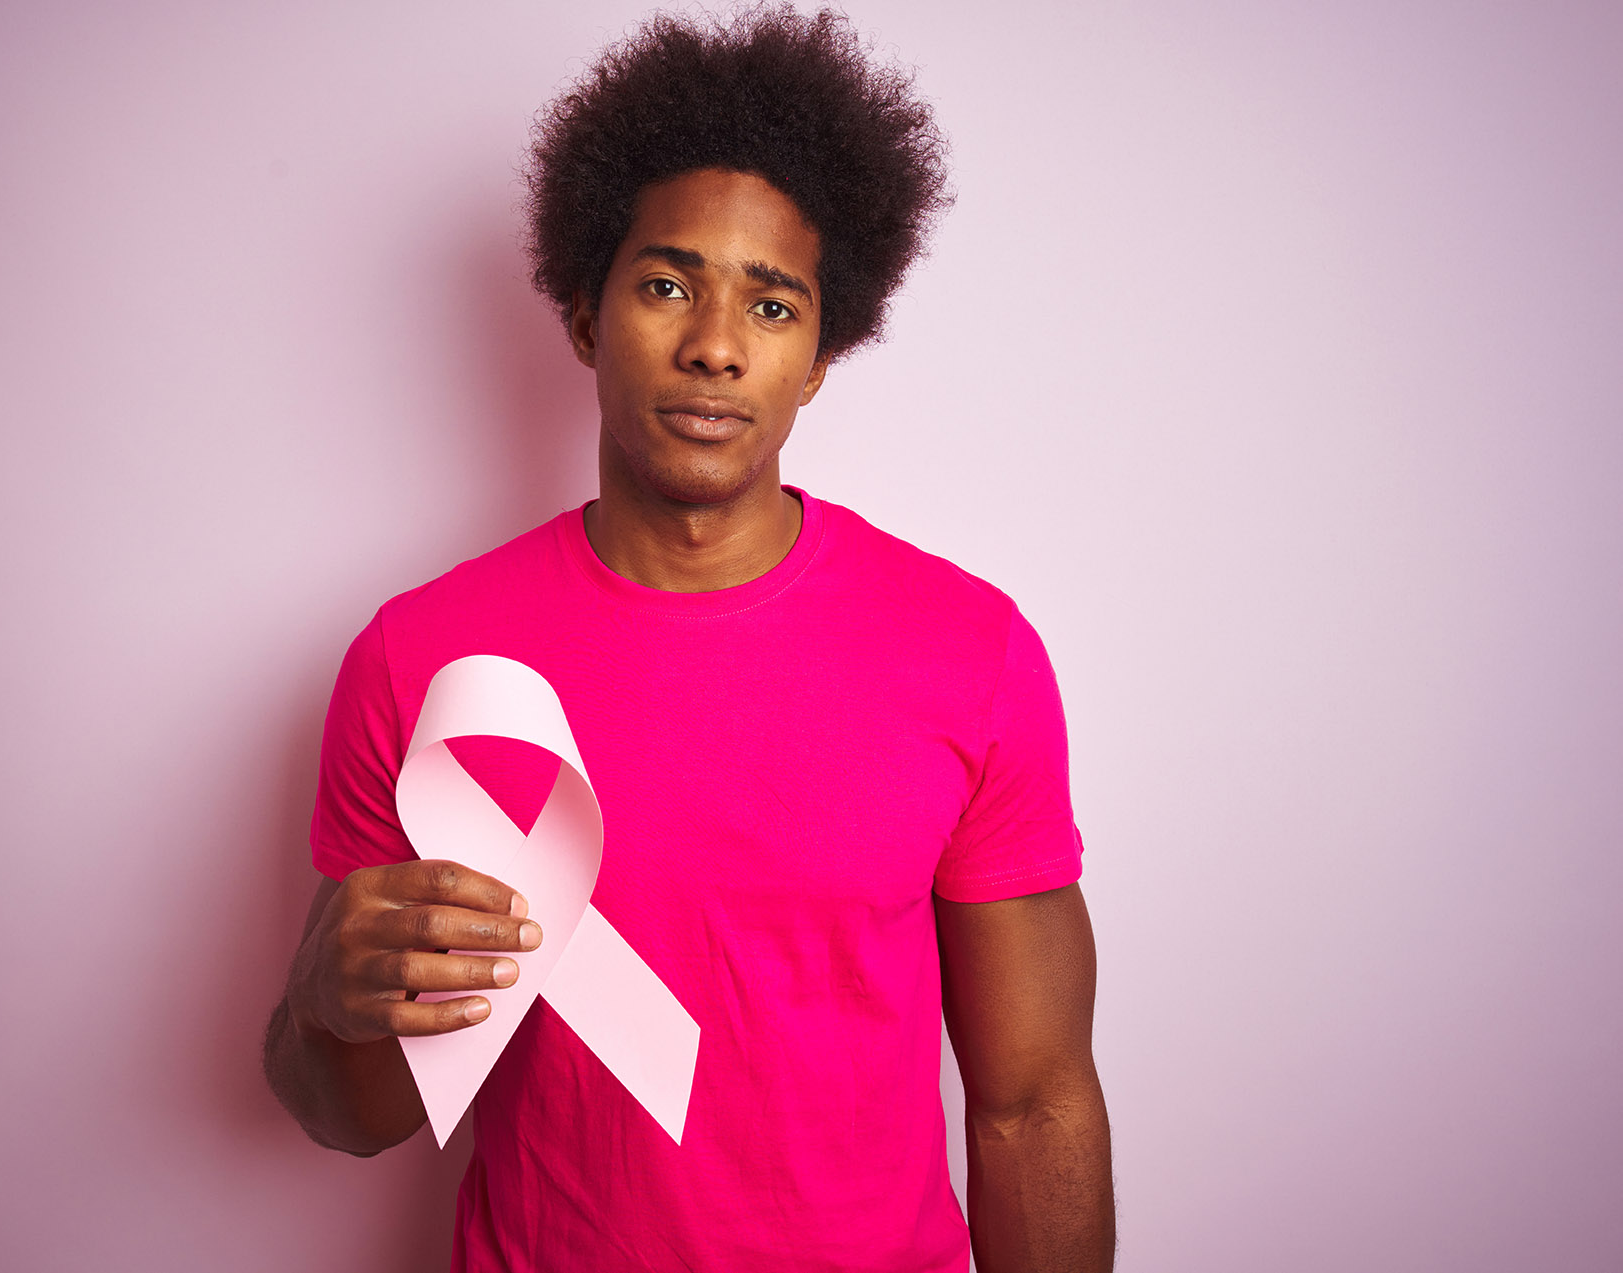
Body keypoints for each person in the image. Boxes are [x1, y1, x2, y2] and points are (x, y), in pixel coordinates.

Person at [263, 8, 1114, 1270]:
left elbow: (1032, 1100)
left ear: (819, 355)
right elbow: (358, 1118)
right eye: (666, 284)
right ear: (580, 313)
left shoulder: (965, 653)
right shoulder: (426, 663)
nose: (714, 345)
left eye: (771, 306)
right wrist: (326, 1009)